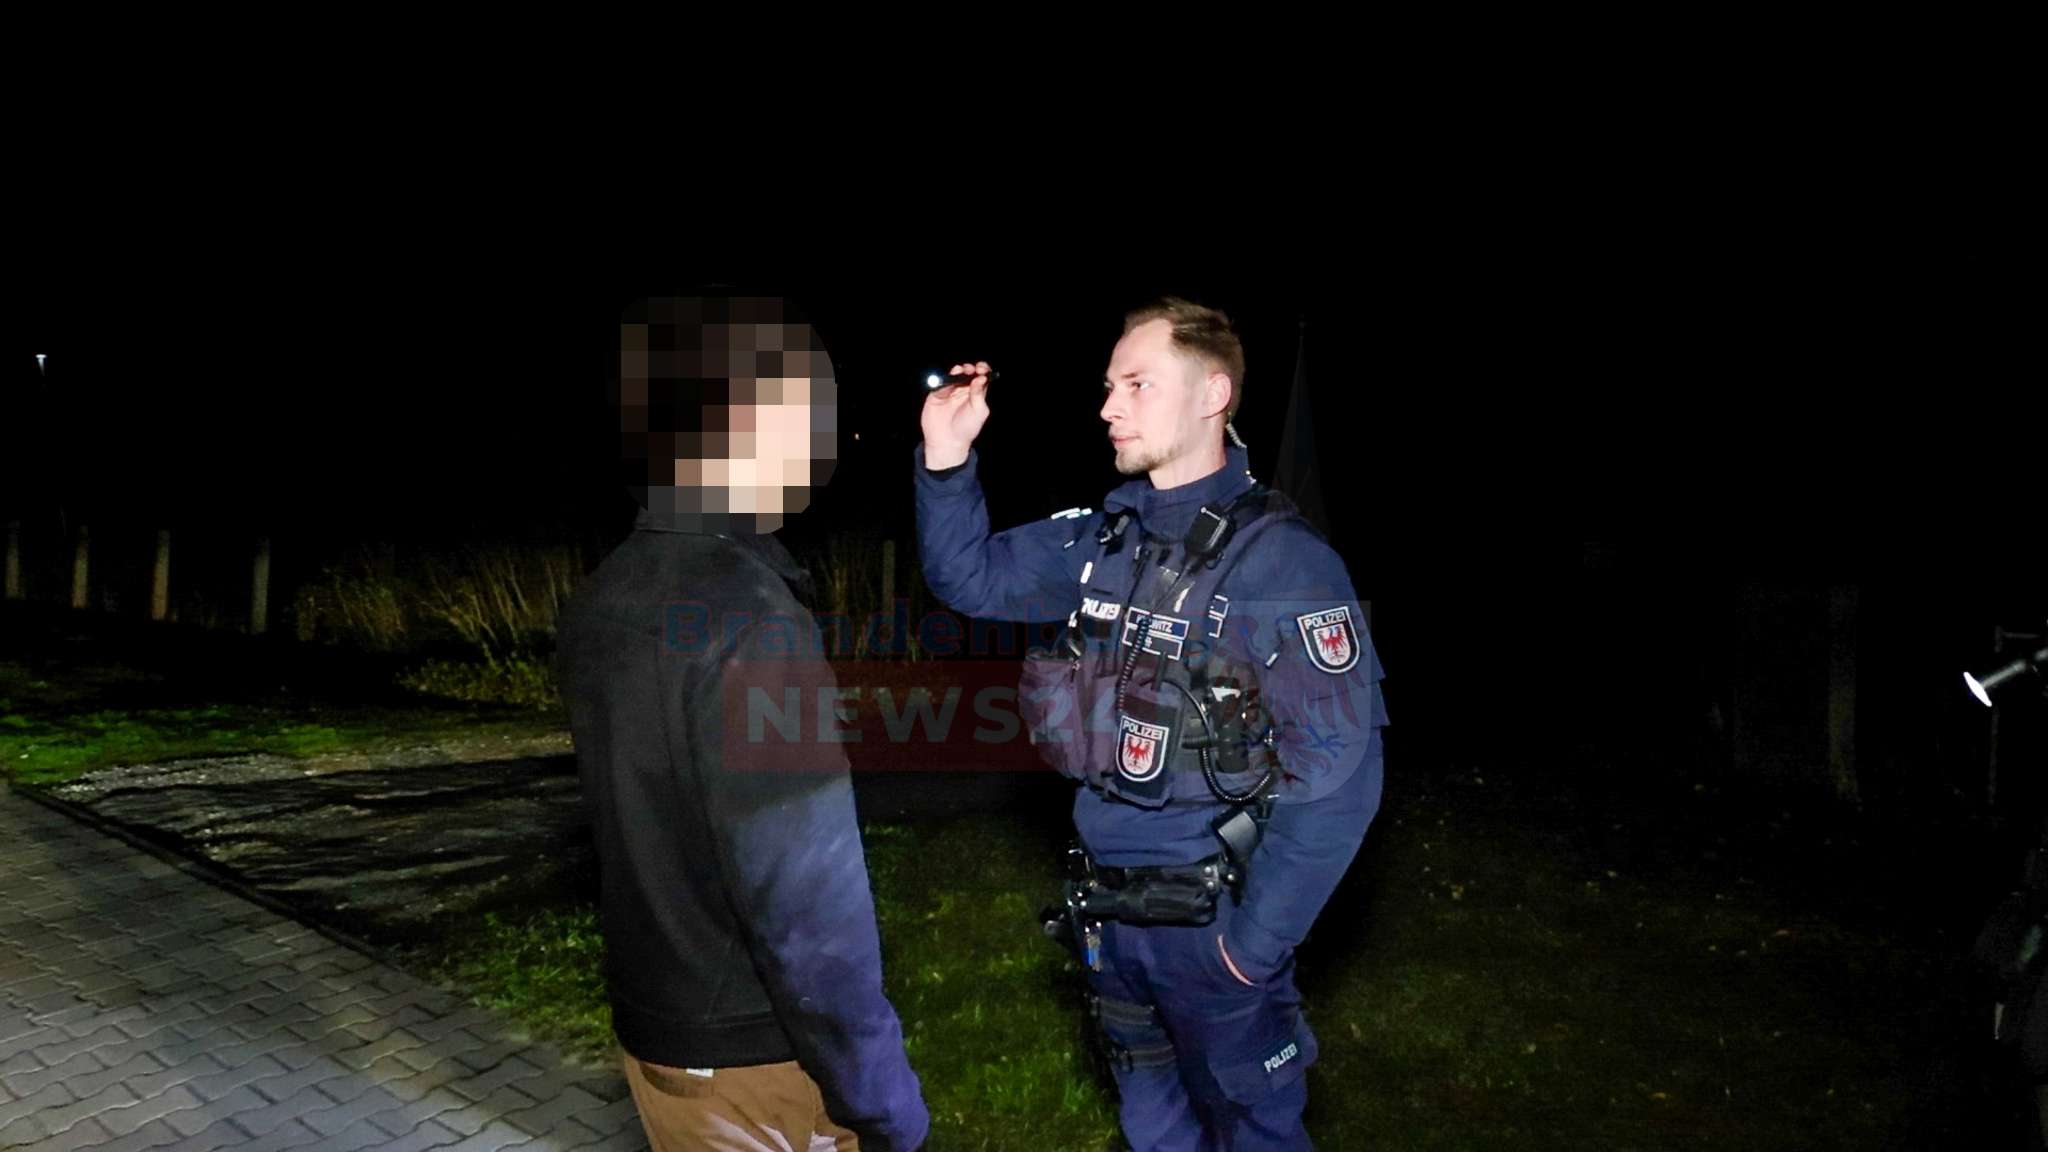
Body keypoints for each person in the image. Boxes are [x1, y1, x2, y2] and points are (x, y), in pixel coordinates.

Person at [913, 297, 1386, 1151]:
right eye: (1108, 386)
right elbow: (971, 578)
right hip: (1108, 918)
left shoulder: (1285, 562)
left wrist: (1252, 949)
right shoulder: (1105, 537)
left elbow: (1339, 776)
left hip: (1213, 929)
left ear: (1213, 394)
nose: (1109, 406)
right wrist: (946, 462)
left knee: (1253, 1132)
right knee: (1154, 1127)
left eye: (1137, 384)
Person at [557, 295, 928, 1152]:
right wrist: (884, 1102)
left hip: (663, 1039)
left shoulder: (608, 591)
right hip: (759, 1070)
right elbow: (807, 913)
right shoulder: (748, 617)